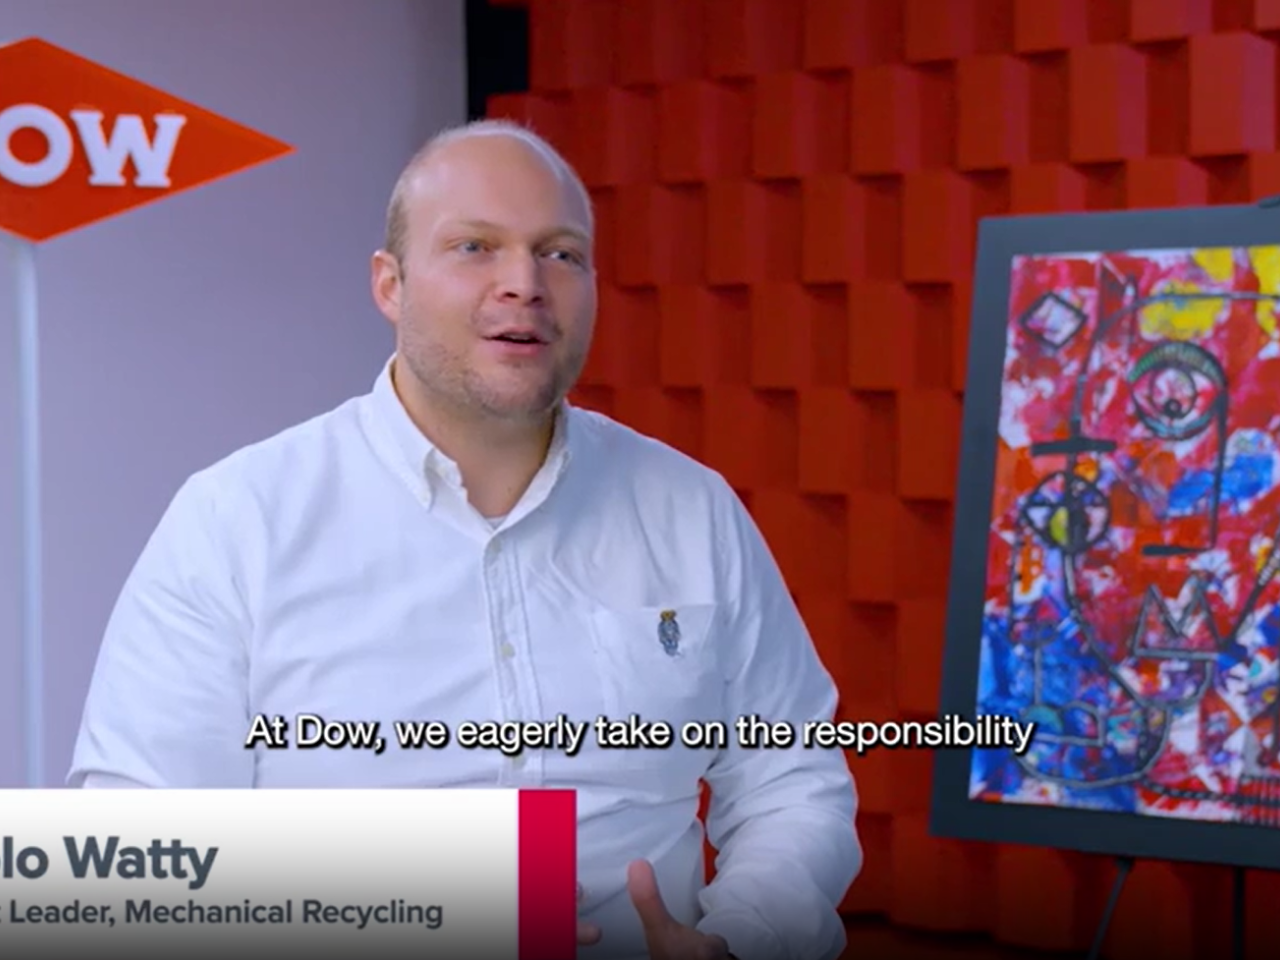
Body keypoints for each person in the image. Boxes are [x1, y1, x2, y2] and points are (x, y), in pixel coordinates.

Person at [67, 119, 862, 960]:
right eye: (475, 247)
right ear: (390, 285)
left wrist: (743, 938)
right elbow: (125, 862)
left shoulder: (690, 510)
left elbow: (794, 781)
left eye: (560, 254)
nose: (524, 283)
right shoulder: (238, 520)